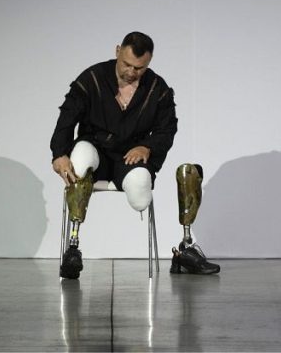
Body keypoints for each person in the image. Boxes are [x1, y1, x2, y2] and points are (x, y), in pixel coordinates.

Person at [50, 31, 219, 278]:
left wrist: (147, 147)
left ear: (148, 63)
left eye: (139, 68)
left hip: (130, 157)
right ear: (117, 51)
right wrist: (59, 153)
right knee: (80, 160)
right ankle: (73, 249)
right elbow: (67, 117)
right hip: (94, 147)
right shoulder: (92, 79)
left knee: (141, 195)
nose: (131, 72)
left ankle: (184, 250)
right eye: (126, 64)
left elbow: (167, 128)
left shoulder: (157, 89)